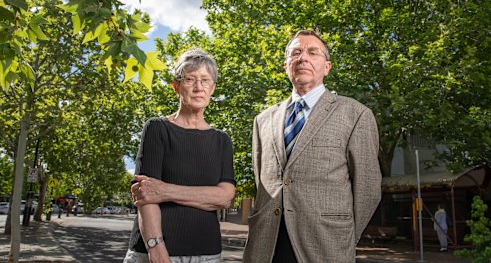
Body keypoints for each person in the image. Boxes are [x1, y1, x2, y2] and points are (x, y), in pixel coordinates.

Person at [242, 30, 382, 263]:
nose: (303, 57)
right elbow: (262, 182)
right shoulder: (263, 120)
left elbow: (367, 188)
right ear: (286, 65)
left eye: (312, 52)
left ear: (327, 67)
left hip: (325, 245)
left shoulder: (356, 114)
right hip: (266, 246)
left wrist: (343, 235)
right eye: (295, 52)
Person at [123, 48, 236, 263]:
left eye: (205, 80)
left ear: (212, 88)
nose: (198, 87)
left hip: (208, 254)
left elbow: (225, 197)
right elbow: (146, 197)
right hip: (154, 251)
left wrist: (163, 190)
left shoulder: (222, 140)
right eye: (190, 79)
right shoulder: (157, 128)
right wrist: (156, 249)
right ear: (176, 86)